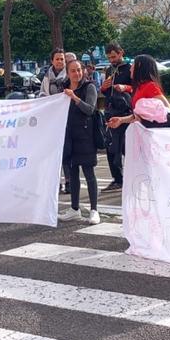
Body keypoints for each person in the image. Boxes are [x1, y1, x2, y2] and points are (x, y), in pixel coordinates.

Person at [58, 60, 101, 225]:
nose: (77, 74)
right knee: (72, 172)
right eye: (73, 71)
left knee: (89, 173)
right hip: (69, 136)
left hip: (86, 136)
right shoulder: (64, 87)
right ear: (68, 73)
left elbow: (90, 109)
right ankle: (74, 208)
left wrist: (74, 97)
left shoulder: (89, 87)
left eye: (79, 70)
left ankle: (94, 209)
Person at [100, 43, 133, 191]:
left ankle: (135, 175)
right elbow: (105, 92)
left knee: (126, 147)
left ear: (121, 53)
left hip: (126, 112)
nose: (112, 60)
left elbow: (137, 88)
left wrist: (125, 87)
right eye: (109, 58)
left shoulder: (130, 69)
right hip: (110, 110)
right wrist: (104, 87)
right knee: (111, 146)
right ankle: (117, 178)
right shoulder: (109, 70)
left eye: (114, 56)